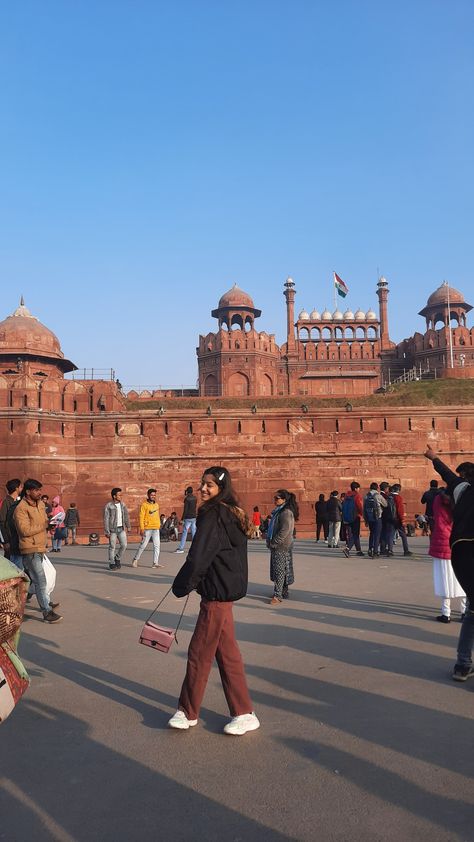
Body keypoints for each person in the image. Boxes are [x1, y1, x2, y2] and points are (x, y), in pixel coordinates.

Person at [169, 466, 259, 736]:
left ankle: (187, 712)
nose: (203, 489)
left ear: (222, 487)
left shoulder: (213, 515)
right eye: (202, 483)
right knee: (228, 655)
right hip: (223, 591)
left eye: (209, 484)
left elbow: (199, 556)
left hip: (216, 596)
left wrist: (182, 585)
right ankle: (244, 713)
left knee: (199, 653)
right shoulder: (231, 513)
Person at [424, 444, 474, 681]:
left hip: (462, 553)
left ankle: (463, 664)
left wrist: (434, 458)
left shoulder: (463, 489)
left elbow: (448, 476)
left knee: (473, 610)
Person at [13, 479, 62, 623]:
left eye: (40, 490)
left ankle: (18, 597)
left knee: (36, 581)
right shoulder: (21, 508)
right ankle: (47, 612)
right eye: (36, 490)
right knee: (41, 580)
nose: (39, 493)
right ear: (28, 492)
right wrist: (44, 525)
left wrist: (50, 524)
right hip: (30, 548)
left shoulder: (40, 504)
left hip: (40, 547)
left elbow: (42, 523)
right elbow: (24, 530)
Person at [429, 490, 466, 623]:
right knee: (463, 579)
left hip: (442, 542)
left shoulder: (438, 499)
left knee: (443, 579)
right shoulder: (463, 499)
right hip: (459, 542)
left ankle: (446, 613)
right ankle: (464, 612)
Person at [266, 489, 299, 604]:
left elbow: (285, 530)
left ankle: (277, 595)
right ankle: (283, 591)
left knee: (279, 570)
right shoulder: (279, 511)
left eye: (277, 498)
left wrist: (274, 542)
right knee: (282, 569)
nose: (275, 500)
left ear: (284, 499)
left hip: (282, 545)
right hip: (279, 545)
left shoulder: (286, 512)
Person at [132, 488, 162, 568]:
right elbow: (141, 517)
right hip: (147, 528)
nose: (153, 496)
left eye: (154, 495)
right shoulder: (144, 505)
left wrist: (159, 524)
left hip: (156, 528)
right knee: (143, 545)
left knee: (157, 546)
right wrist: (142, 528)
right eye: (152, 495)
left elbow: (157, 516)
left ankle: (155, 563)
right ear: (148, 495)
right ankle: (135, 559)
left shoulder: (156, 505)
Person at [104, 488, 130, 570]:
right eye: (119, 495)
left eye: (121, 495)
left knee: (124, 545)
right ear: (114, 496)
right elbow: (106, 518)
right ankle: (112, 563)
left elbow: (126, 516)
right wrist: (107, 530)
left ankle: (117, 558)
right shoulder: (109, 506)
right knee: (112, 547)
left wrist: (128, 526)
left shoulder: (123, 505)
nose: (121, 496)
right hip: (112, 530)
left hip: (121, 528)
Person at [0, 479, 23, 564]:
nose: (22, 489)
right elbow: (1, 523)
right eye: (21, 486)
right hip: (9, 540)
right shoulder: (6, 502)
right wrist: (5, 541)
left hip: (16, 539)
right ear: (17, 488)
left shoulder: (17, 502)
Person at [363, 482, 387, 557]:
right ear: (377, 488)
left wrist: (366, 519)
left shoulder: (366, 496)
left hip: (369, 517)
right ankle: (375, 551)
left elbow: (364, 509)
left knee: (372, 534)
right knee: (377, 535)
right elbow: (385, 504)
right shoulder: (378, 496)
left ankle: (370, 549)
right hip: (377, 517)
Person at [342, 482, 364, 557]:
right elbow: (360, 506)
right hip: (355, 517)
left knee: (354, 534)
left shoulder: (346, 496)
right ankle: (347, 549)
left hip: (347, 517)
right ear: (356, 488)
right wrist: (362, 514)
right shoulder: (357, 496)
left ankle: (359, 550)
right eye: (358, 488)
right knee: (355, 534)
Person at [390, 484, 412, 556]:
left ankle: (390, 550)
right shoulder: (398, 498)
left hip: (390, 518)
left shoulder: (389, 497)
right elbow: (400, 510)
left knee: (391, 535)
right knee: (403, 535)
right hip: (397, 519)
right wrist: (402, 519)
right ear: (399, 490)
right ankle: (406, 550)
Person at [175, 486, 198, 554]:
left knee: (184, 532)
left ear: (187, 491)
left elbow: (186, 510)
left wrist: (182, 519)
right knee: (194, 532)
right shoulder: (195, 498)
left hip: (188, 517)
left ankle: (181, 548)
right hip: (193, 516)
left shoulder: (187, 499)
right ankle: (196, 547)